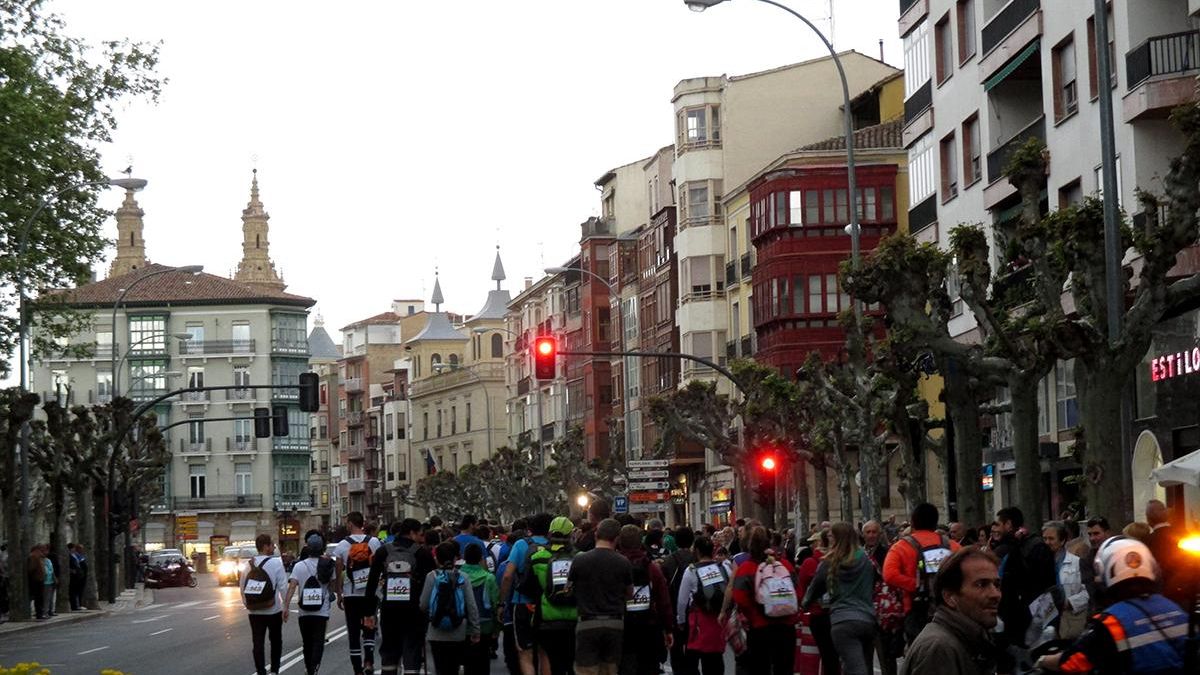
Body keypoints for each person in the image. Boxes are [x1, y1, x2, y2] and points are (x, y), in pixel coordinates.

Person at [1036, 536, 1188, 674]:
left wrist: (1043, 661)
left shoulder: (1111, 622)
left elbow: (1073, 662)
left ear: (1105, 570)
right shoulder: (1175, 609)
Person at [900, 547, 1002, 675]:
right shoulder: (939, 648)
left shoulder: (968, 638)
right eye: (981, 584)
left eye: (996, 585)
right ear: (949, 597)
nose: (995, 594)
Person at [801, 522, 878, 675]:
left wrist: (805, 604)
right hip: (867, 618)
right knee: (864, 665)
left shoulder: (829, 562)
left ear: (835, 539)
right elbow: (875, 580)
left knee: (853, 666)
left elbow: (814, 589)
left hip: (842, 619)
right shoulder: (865, 559)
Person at [883, 502, 960, 645]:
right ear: (936, 522)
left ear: (912, 522)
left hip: (916, 609)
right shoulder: (952, 546)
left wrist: (918, 586)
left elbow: (889, 575)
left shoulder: (901, 546)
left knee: (920, 650)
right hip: (950, 607)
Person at [365, 518, 435, 675]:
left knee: (389, 649)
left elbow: (372, 582)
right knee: (412, 648)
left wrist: (369, 612)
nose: (421, 538)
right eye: (420, 534)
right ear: (412, 533)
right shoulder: (422, 553)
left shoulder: (383, 551)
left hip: (389, 609)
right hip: (414, 610)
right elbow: (431, 583)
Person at [568, 518, 633, 675]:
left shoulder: (580, 559)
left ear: (596, 535)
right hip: (614, 622)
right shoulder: (623, 562)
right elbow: (629, 594)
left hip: (587, 622)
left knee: (586, 670)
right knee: (610, 669)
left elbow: (568, 589)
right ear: (617, 538)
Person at [730, 526, 798, 675]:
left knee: (760, 667)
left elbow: (740, 597)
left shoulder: (746, 568)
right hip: (786, 626)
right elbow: (797, 591)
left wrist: (753, 614)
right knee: (784, 668)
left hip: (759, 627)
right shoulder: (784, 565)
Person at [992, 506, 1055, 660]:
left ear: (1008, 524)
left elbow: (1041, 581)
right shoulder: (1012, 546)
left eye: (998, 524)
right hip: (1014, 614)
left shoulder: (1031, 546)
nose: (995, 530)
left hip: (1027, 615)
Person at [525, 516, 580, 675]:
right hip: (574, 619)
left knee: (555, 664)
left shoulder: (537, 558)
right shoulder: (581, 557)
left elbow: (528, 587)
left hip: (547, 619)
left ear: (549, 534)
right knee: (573, 664)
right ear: (571, 534)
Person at [617, 524, 673, 675]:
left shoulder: (615, 566)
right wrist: (668, 628)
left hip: (623, 627)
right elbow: (663, 600)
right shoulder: (651, 567)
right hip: (649, 627)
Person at [499, 512, 551, 675]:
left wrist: (502, 602)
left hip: (522, 603)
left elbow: (507, 576)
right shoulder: (552, 545)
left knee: (525, 653)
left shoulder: (521, 544)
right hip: (547, 605)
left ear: (530, 528)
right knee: (544, 653)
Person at [420, 540, 481, 675]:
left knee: (440, 668)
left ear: (437, 559)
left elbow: (423, 604)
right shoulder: (463, 577)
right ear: (455, 558)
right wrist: (475, 629)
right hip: (458, 630)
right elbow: (471, 605)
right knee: (453, 668)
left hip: (435, 630)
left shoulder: (431, 576)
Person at [333, 511, 383, 675]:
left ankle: (357, 670)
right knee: (369, 628)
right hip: (370, 594)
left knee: (354, 632)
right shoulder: (374, 542)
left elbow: (339, 571)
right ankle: (368, 661)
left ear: (350, 524)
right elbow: (380, 565)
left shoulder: (342, 545)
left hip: (351, 594)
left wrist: (339, 593)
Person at [675, 536, 731, 675]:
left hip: (698, 621)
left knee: (692, 658)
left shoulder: (691, 570)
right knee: (715, 658)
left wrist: (681, 620)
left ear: (697, 551)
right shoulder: (724, 567)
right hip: (719, 618)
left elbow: (682, 600)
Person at [284, 532, 336, 675]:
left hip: (304, 611)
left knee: (307, 642)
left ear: (308, 548)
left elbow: (292, 587)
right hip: (322, 610)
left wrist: (286, 606)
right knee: (318, 641)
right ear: (321, 548)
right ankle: (314, 668)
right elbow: (333, 585)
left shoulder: (299, 566)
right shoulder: (327, 564)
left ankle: (309, 668)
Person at [1035, 521, 1089, 644]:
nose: (1047, 542)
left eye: (1051, 538)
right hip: (1045, 621)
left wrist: (1069, 602)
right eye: (1044, 538)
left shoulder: (1076, 563)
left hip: (1069, 621)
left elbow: (1087, 593)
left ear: (1062, 540)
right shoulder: (1037, 563)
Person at [242, 533, 288, 675]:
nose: (274, 547)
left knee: (257, 643)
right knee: (276, 641)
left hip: (254, 611)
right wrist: (285, 607)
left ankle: (260, 671)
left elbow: (242, 587)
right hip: (273, 609)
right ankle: (274, 670)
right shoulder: (276, 563)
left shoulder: (248, 565)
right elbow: (283, 587)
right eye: (272, 545)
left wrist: (248, 604)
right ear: (265, 546)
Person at [796, 527, 838, 675]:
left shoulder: (811, 562)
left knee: (823, 654)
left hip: (817, 613)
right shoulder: (843, 560)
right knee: (836, 656)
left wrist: (804, 605)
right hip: (839, 612)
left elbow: (802, 588)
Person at [659, 526, 696, 675]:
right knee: (693, 647)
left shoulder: (668, 561)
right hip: (694, 610)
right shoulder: (697, 559)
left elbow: (662, 588)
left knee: (676, 648)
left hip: (673, 608)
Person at [461, 542, 500, 675]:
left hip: (463, 625)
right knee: (483, 662)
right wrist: (497, 628)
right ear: (481, 558)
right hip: (485, 625)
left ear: (464, 557)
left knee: (467, 663)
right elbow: (495, 605)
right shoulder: (489, 578)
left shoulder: (459, 576)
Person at [1145, 499, 1191, 610]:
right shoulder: (1184, 534)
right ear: (1166, 514)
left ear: (1148, 519)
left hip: (1161, 596)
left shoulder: (1147, 542)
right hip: (1188, 591)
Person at [1081, 516, 1112, 612]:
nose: (1092, 538)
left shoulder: (1117, 553)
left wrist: (1099, 579)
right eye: (1090, 534)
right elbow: (1093, 592)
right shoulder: (1086, 559)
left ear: (1107, 533)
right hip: (1099, 612)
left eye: (1096, 534)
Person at [69, 543, 87, 611]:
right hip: (75, 576)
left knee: (78, 591)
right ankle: (75, 605)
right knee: (74, 591)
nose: (82, 550)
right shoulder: (72, 555)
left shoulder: (78, 555)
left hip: (80, 575)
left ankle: (78, 604)